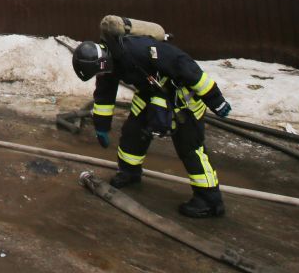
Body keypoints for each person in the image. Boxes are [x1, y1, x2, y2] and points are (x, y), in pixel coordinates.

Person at [72, 35, 233, 218]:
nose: (101, 75)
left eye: (98, 72)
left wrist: (215, 99)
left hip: (182, 101)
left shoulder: (139, 51)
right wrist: (101, 126)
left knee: (190, 149)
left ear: (101, 61)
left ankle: (210, 201)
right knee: (132, 135)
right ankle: (129, 173)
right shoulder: (108, 66)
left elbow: (185, 65)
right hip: (150, 96)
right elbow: (104, 96)